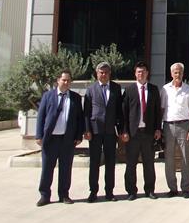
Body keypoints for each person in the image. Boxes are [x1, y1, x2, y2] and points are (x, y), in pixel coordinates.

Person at [35, 69, 84, 206]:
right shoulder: (48, 96)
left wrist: (78, 136)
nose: (66, 82)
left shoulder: (75, 98)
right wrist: (39, 135)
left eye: (68, 80)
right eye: (64, 80)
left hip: (67, 139)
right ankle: (45, 195)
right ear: (58, 80)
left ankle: (64, 195)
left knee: (65, 169)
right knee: (47, 168)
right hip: (50, 139)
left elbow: (79, 118)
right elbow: (41, 116)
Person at [121, 61, 161, 200]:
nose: (141, 74)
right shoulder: (129, 90)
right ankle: (131, 191)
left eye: (143, 71)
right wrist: (124, 131)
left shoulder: (154, 89)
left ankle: (149, 190)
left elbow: (157, 111)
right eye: (138, 71)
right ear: (135, 73)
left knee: (149, 164)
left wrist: (158, 129)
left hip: (148, 133)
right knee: (131, 164)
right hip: (133, 133)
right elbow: (124, 113)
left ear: (147, 73)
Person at [83, 61, 123, 202]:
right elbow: (86, 112)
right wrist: (87, 130)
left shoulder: (116, 88)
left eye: (106, 72)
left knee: (110, 162)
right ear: (97, 73)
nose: (104, 75)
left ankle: (109, 192)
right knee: (94, 162)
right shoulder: (91, 89)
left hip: (110, 131)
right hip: (95, 131)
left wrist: (121, 130)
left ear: (110, 73)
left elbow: (120, 111)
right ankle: (93, 192)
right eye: (101, 72)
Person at [161, 62, 189, 198]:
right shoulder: (165, 89)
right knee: (169, 159)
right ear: (171, 74)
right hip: (168, 126)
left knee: (185, 158)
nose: (178, 74)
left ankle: (185, 188)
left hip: (184, 126)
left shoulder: (188, 90)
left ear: (183, 73)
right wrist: (159, 127)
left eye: (180, 72)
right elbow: (162, 108)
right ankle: (172, 188)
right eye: (175, 72)